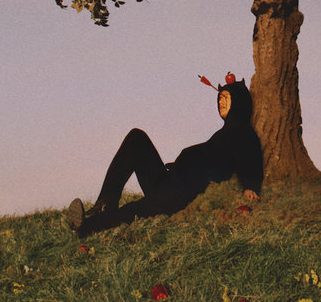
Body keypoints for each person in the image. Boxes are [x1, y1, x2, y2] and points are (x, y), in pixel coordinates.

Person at [67, 75, 263, 237]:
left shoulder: (243, 134)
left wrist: (251, 187)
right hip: (170, 181)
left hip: (181, 194)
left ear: (239, 101)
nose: (221, 102)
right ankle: (105, 203)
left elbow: (250, 158)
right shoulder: (221, 135)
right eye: (219, 98)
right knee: (137, 138)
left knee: (134, 210)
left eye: (226, 97)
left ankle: (86, 227)